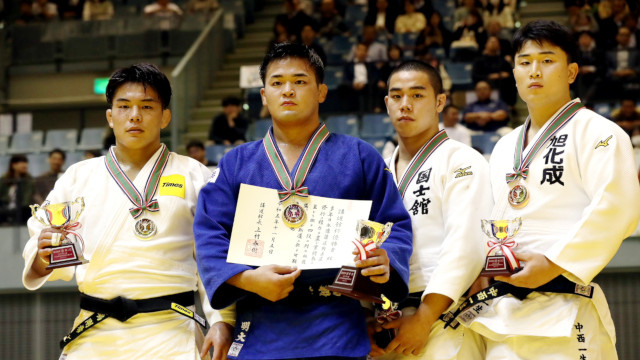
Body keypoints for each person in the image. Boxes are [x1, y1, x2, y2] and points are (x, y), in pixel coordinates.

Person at [193, 42, 413, 360]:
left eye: (300, 81)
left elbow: (394, 223)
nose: (288, 91)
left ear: (321, 91)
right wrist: (246, 278)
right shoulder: (235, 163)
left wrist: (387, 258)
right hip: (260, 323)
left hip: (338, 326)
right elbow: (209, 233)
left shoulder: (359, 156)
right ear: (264, 95)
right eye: (277, 83)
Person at [21, 63, 232, 360]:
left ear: (165, 117)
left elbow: (214, 257)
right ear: (110, 116)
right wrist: (43, 257)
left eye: (147, 106)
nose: (135, 115)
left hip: (171, 332)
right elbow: (42, 246)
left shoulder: (194, 175)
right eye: (124, 106)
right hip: (95, 334)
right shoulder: (78, 176)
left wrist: (221, 319)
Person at [458, 20, 640, 359]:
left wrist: (553, 262)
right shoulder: (503, 146)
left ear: (571, 72)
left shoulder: (600, 132)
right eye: (524, 62)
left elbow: (617, 209)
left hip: (565, 305)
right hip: (502, 314)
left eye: (546, 60)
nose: (534, 71)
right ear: (514, 73)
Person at [368, 60, 489, 360]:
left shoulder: (462, 161)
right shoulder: (380, 172)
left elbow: (466, 245)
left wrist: (424, 316)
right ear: (387, 103)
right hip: (387, 322)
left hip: (443, 317)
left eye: (417, 95)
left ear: (439, 102)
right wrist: (364, 318)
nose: (405, 105)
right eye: (396, 96)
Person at [0, 154, 34, 224]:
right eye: (22, 162)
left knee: (26, 211)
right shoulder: (4, 179)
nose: (25, 165)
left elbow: (26, 199)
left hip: (22, 209)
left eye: (25, 162)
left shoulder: (28, 179)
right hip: (5, 208)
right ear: (13, 165)